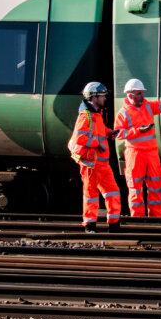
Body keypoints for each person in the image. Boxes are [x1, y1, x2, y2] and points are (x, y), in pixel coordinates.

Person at [113, 78, 161, 218]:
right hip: (135, 154)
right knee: (135, 190)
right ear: (130, 95)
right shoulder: (123, 113)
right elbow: (117, 134)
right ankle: (137, 220)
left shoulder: (147, 106)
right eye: (139, 93)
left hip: (151, 153)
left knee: (155, 187)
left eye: (142, 93)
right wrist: (138, 130)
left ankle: (156, 219)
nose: (142, 96)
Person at [68, 82, 122, 232]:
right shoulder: (85, 116)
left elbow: (98, 130)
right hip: (91, 164)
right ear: (94, 97)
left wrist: (109, 132)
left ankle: (114, 224)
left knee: (113, 192)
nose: (105, 98)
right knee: (91, 195)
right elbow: (80, 138)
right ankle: (89, 225)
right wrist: (97, 143)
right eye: (102, 96)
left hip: (102, 164)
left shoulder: (95, 114)